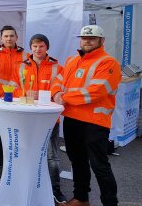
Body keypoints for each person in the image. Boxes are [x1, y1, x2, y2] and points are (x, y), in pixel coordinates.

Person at [52, 25, 120, 206]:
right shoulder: (72, 60)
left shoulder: (108, 62)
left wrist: (64, 97)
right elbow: (58, 81)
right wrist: (56, 93)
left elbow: (96, 91)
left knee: (100, 166)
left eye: (92, 38)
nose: (87, 41)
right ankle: (81, 198)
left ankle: (110, 203)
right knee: (77, 162)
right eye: (84, 38)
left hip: (95, 122)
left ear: (101, 41)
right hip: (72, 120)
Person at [13, 34, 67, 204]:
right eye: (35, 46)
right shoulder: (21, 66)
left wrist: (48, 95)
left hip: (50, 118)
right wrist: (24, 93)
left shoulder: (58, 67)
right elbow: (14, 89)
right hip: (27, 116)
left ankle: (55, 189)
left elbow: (62, 89)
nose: (38, 49)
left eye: (41, 46)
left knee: (52, 156)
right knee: (27, 153)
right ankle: (29, 186)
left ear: (47, 48)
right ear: (31, 48)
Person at [0, 25, 25, 181]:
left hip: (20, 100)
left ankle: (18, 168)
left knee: (20, 135)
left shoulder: (26, 54)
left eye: (12, 36)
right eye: (6, 36)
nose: (9, 39)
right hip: (1, 100)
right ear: (1, 39)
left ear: (17, 38)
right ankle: (1, 168)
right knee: (2, 135)